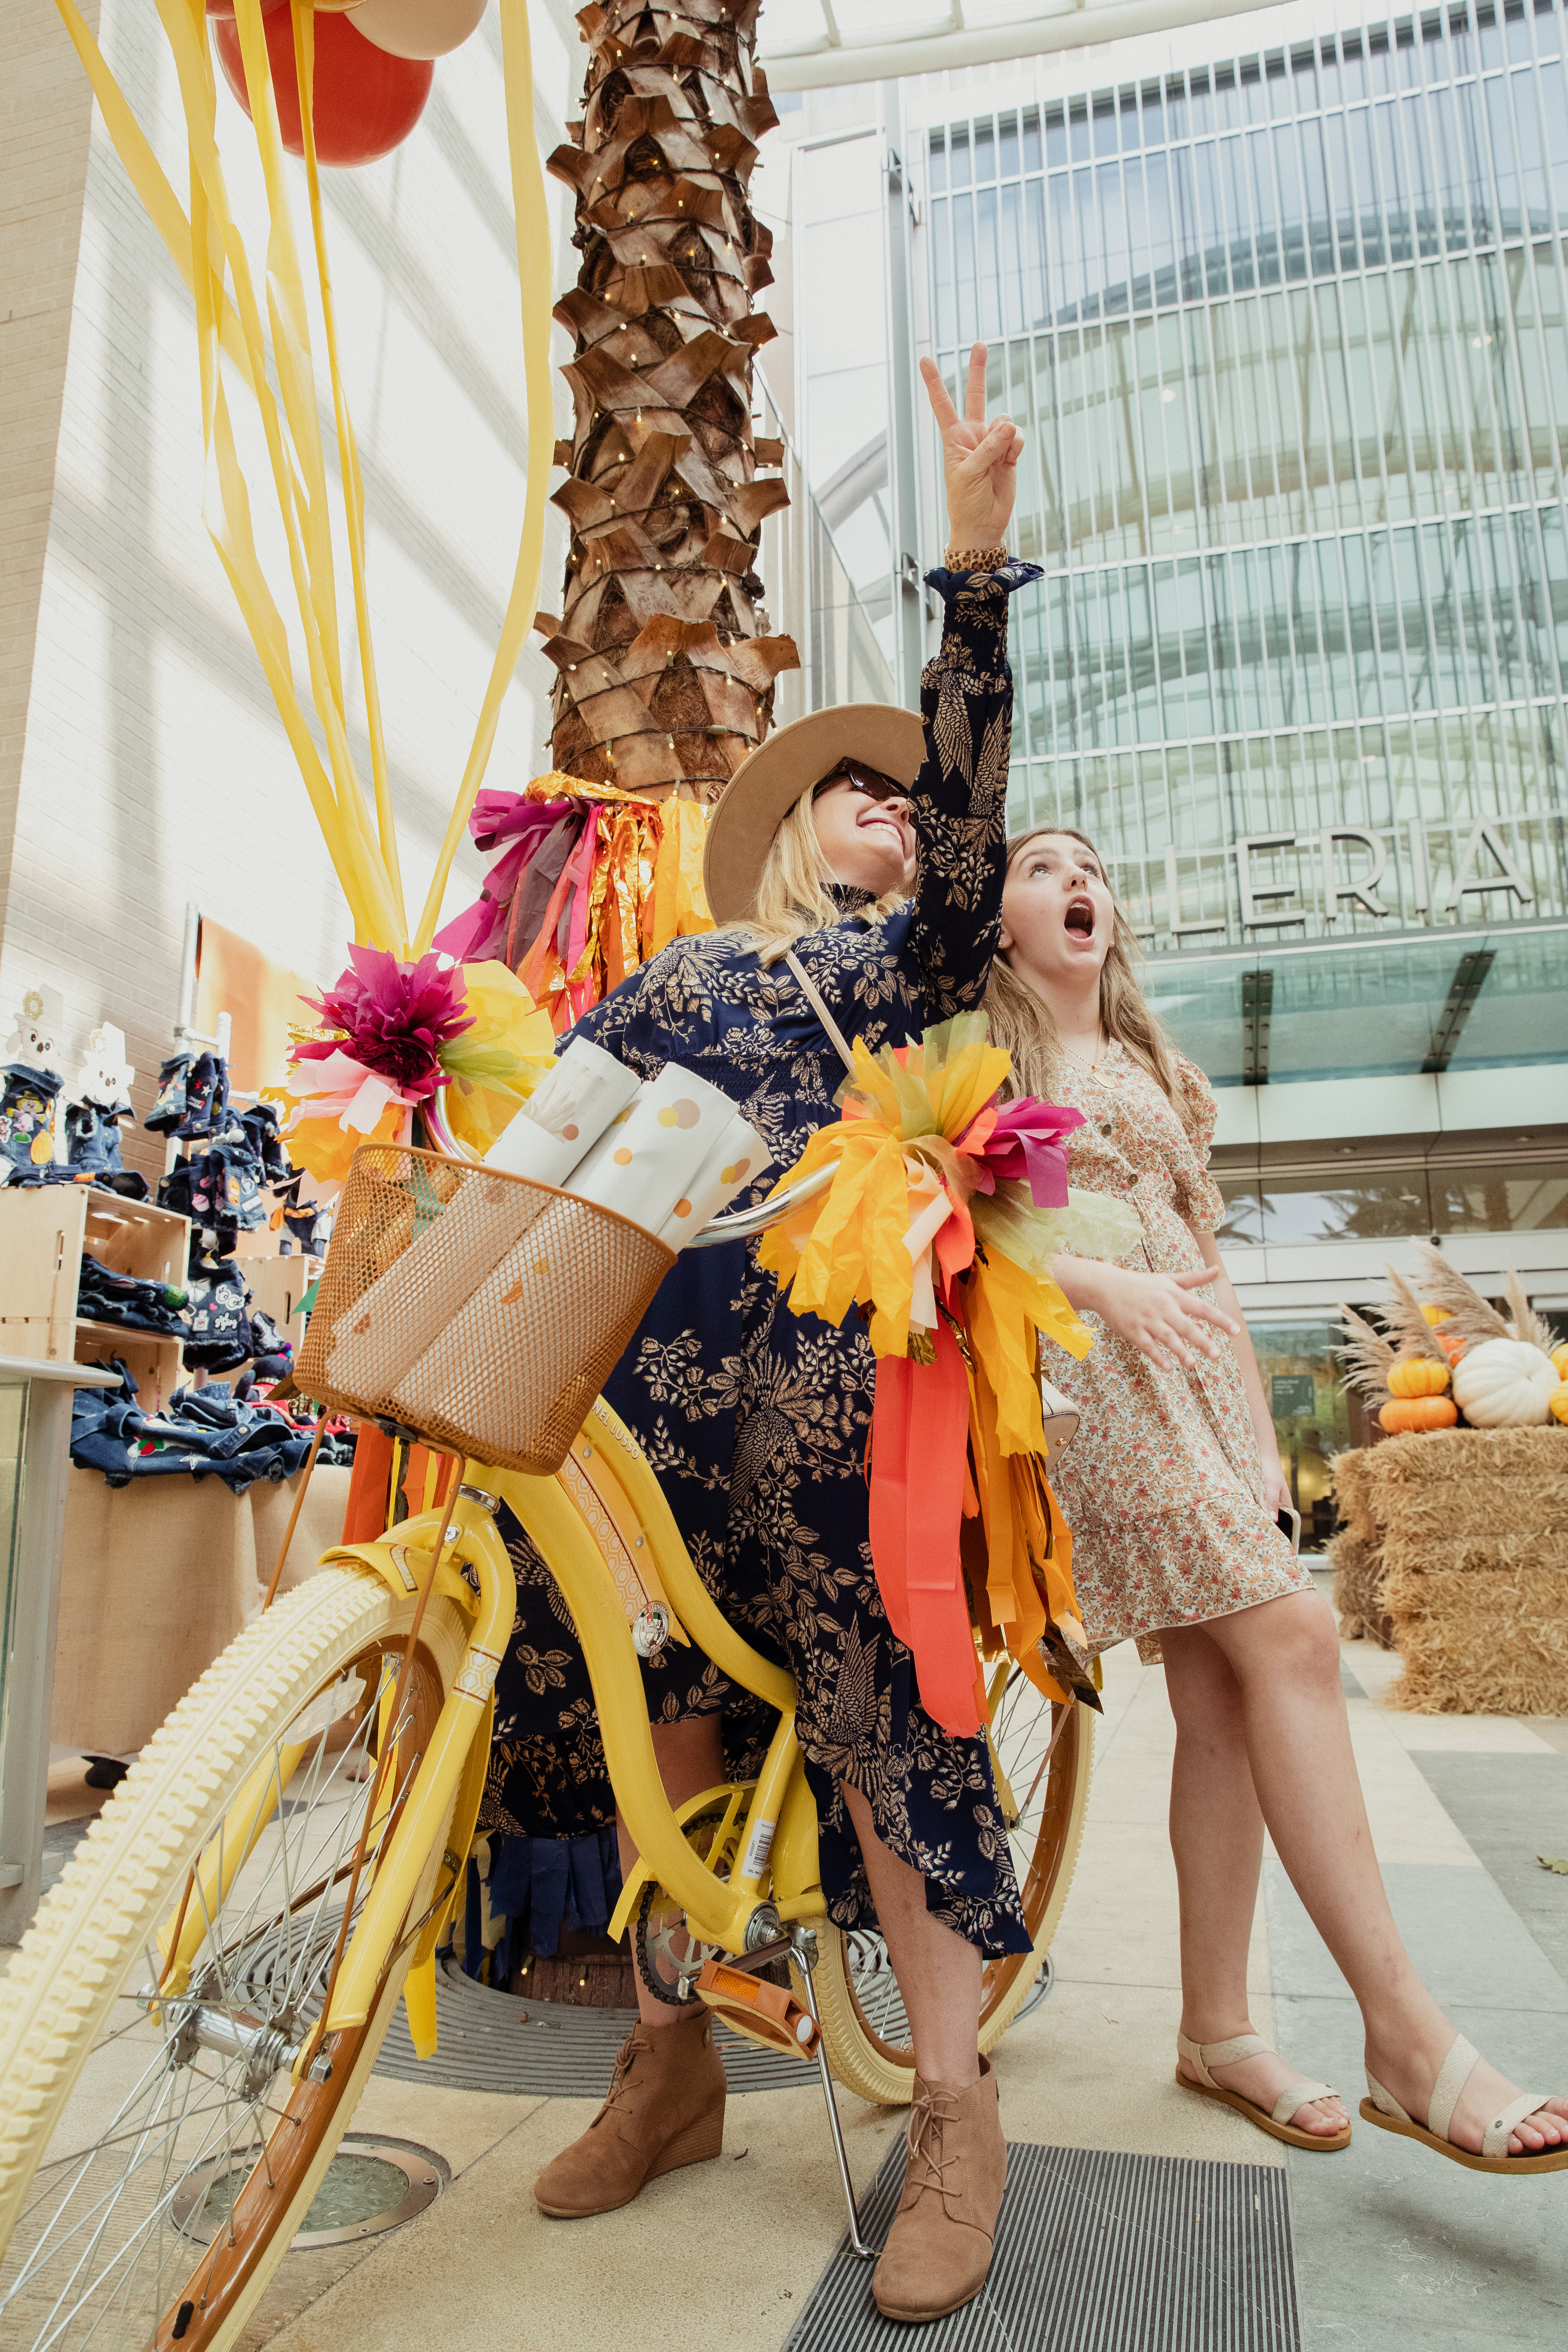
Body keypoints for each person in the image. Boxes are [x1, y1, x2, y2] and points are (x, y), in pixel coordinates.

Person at [524, 346, 1043, 2323]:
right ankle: (664, 2064)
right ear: (781, 826)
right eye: (856, 786)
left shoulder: (912, 962)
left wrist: (973, 571)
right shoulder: (670, 978)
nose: (892, 812)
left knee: (876, 1670)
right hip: (652, 1388)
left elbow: (979, 835)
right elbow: (551, 1151)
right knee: (622, 1657)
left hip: (841, 1390)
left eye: (905, 795)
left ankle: (957, 2096)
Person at [983, 825, 1568, 2174]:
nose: (1077, 882)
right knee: (1296, 1641)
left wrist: (1255, 1431)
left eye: (1091, 867)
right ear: (1001, 923)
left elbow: (1203, 1258)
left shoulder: (1153, 1070)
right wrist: (1102, 1294)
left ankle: (1217, 2031)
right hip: (1087, 1384)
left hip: (1190, 1391)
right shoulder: (990, 1056)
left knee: (1221, 1696)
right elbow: (983, 1235)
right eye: (1039, 869)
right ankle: (1407, 2034)